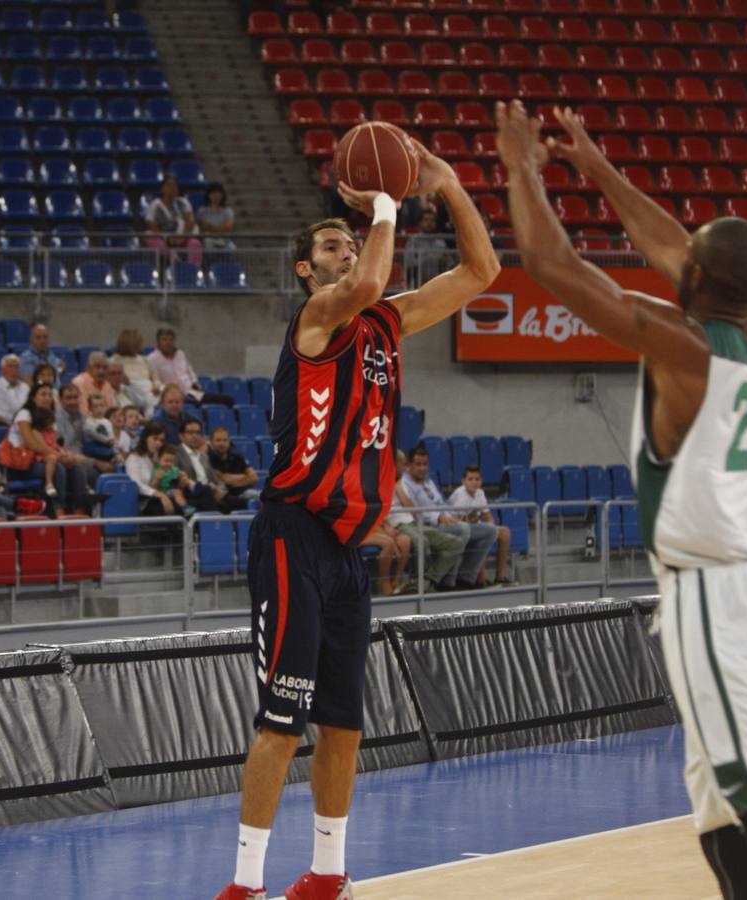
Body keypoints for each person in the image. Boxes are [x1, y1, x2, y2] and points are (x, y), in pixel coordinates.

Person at [496, 100, 747, 900]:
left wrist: (523, 167)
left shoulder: (686, 348)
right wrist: (595, 168)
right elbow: (675, 248)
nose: (673, 255)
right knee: (721, 822)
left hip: (714, 600)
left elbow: (554, 267)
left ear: (695, 281)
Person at [216, 135, 498, 900]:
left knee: (344, 723)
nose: (348, 251)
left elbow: (482, 272)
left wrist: (445, 185)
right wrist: (384, 202)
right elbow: (373, 275)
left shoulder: (387, 324)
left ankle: (329, 873)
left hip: (348, 550)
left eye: (350, 241)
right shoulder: (319, 314)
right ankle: (245, 884)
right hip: (292, 535)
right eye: (331, 244)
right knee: (282, 720)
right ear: (310, 268)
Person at [401, 446, 494, 591]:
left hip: (447, 521)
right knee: (462, 530)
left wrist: (454, 517)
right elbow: (414, 511)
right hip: (427, 525)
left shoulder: (428, 481)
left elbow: (441, 504)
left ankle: (466, 578)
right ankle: (447, 582)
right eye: (418, 464)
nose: (422, 468)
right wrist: (438, 517)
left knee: (490, 530)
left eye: (425, 464)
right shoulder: (405, 484)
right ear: (409, 465)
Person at [0, 382, 96, 515]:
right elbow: (31, 444)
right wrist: (58, 456)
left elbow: (55, 444)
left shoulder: (49, 418)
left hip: (46, 460)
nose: (47, 398)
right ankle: (58, 511)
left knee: (76, 468)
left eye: (50, 394)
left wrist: (65, 455)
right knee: (57, 468)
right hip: (22, 464)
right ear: (33, 397)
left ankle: (79, 512)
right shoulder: (25, 414)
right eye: (43, 394)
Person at [387, 452, 463, 593]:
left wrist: (398, 487)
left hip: (413, 522)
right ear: (394, 465)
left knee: (455, 544)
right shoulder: (380, 482)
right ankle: (417, 583)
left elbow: (411, 509)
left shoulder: (400, 482)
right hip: (398, 524)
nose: (406, 468)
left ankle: (427, 580)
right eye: (404, 464)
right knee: (422, 542)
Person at [447, 465, 515, 587]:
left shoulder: (480, 493)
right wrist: (478, 525)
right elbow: (455, 521)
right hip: (458, 530)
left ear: (481, 481)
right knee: (482, 536)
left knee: (505, 533)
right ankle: (481, 580)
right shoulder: (459, 495)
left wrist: (493, 530)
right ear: (463, 481)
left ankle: (500, 577)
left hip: (475, 527)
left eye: (477, 479)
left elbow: (488, 516)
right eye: (470, 479)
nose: (474, 482)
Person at [145, 328, 235, 407]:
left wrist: (195, 383)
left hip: (192, 392)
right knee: (192, 404)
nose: (168, 343)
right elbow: (155, 382)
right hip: (173, 396)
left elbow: (190, 371)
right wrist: (168, 388)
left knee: (228, 399)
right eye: (164, 340)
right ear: (158, 342)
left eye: (171, 340)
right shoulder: (152, 359)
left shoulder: (180, 354)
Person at [177, 418, 244, 512]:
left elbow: (216, 480)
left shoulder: (204, 456)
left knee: (241, 502)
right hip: (192, 495)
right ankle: (213, 525)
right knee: (209, 494)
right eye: (191, 432)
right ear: (181, 436)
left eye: (198, 432)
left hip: (211, 494)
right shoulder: (176, 454)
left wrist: (220, 491)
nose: (195, 436)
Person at [123, 422, 185, 517]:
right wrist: (159, 494)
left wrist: (179, 480)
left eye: (161, 440)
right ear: (145, 438)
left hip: (164, 494)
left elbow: (169, 480)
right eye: (154, 438)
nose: (158, 443)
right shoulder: (134, 458)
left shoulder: (161, 458)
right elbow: (136, 484)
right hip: (145, 501)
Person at [144, 176, 202, 266]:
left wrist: (182, 237)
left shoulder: (183, 202)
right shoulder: (155, 205)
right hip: (164, 237)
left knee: (195, 243)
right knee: (148, 234)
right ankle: (174, 259)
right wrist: (167, 238)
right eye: (169, 185)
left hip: (182, 235)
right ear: (162, 189)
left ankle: (193, 269)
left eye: (175, 186)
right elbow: (151, 225)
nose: (172, 188)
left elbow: (190, 221)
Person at [109, 329, 161, 416]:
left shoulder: (144, 359)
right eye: (139, 343)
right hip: (131, 390)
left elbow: (154, 377)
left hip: (149, 390)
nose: (142, 346)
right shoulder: (114, 360)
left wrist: (156, 385)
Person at [207, 426, 260, 503]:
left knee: (263, 496)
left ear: (229, 441)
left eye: (225, 440)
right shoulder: (207, 459)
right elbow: (223, 479)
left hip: (243, 493)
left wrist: (231, 481)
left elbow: (254, 478)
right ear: (211, 442)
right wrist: (244, 477)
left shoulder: (238, 456)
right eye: (218, 440)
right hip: (222, 496)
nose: (221, 443)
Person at [403, 207, 451, 288]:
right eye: (426, 220)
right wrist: (429, 258)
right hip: (418, 284)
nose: (429, 223)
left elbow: (450, 263)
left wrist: (443, 259)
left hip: (438, 284)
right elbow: (409, 262)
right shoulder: (413, 240)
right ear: (420, 223)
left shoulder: (441, 242)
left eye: (432, 220)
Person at [68, 351, 116, 417]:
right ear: (89, 368)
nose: (101, 371)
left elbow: (113, 411)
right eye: (97, 367)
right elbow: (83, 413)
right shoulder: (79, 383)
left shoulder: (107, 385)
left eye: (104, 368)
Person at [81, 392, 121, 464]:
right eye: (95, 406)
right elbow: (110, 441)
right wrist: (117, 452)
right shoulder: (88, 423)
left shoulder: (107, 422)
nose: (99, 409)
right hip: (93, 451)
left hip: (106, 450)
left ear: (106, 406)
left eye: (102, 406)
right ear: (90, 408)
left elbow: (112, 439)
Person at [0, 354, 29, 424]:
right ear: (2, 369)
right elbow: (1, 416)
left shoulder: (26, 387)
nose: (14, 370)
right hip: (8, 426)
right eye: (10, 367)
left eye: (17, 367)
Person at [197, 182, 236, 251]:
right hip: (208, 240)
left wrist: (210, 228)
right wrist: (221, 228)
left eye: (219, 193)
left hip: (224, 240)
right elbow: (202, 227)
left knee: (232, 248)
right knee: (208, 246)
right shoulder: (202, 210)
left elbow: (228, 227)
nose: (216, 196)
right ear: (208, 195)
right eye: (214, 193)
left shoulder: (228, 210)